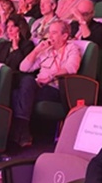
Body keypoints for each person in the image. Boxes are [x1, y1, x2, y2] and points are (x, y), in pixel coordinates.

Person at [11, 19, 81, 147]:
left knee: (25, 85)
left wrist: (50, 77)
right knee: (17, 90)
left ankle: (21, 132)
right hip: (38, 87)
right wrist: (37, 51)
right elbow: (23, 67)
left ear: (64, 36)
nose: (50, 36)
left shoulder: (72, 49)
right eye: (49, 32)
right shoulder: (46, 49)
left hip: (56, 89)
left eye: (54, 33)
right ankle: (23, 132)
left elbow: (71, 68)